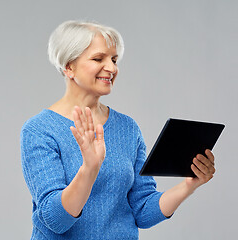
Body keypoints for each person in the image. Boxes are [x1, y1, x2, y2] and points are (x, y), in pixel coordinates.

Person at [20, 20, 216, 240]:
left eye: (114, 60)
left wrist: (190, 184)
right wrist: (89, 169)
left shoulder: (127, 128)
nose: (112, 68)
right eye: (98, 59)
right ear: (69, 66)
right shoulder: (39, 130)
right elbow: (55, 220)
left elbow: (142, 211)